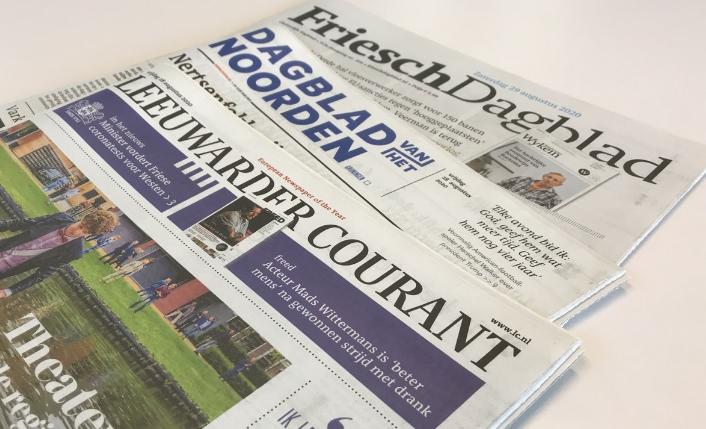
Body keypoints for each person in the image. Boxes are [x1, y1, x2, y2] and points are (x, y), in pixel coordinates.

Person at [0, 210, 118, 298]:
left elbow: (41, 275)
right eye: (81, 226)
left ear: (90, 234)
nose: (77, 232)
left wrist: (8, 291)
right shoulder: (60, 218)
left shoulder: (74, 252)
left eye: (85, 232)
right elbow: (20, 223)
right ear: (82, 218)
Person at [498, 172, 566, 210]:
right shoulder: (523, 179)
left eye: (555, 180)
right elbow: (499, 185)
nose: (550, 180)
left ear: (558, 185)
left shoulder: (554, 198)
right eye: (549, 177)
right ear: (544, 176)